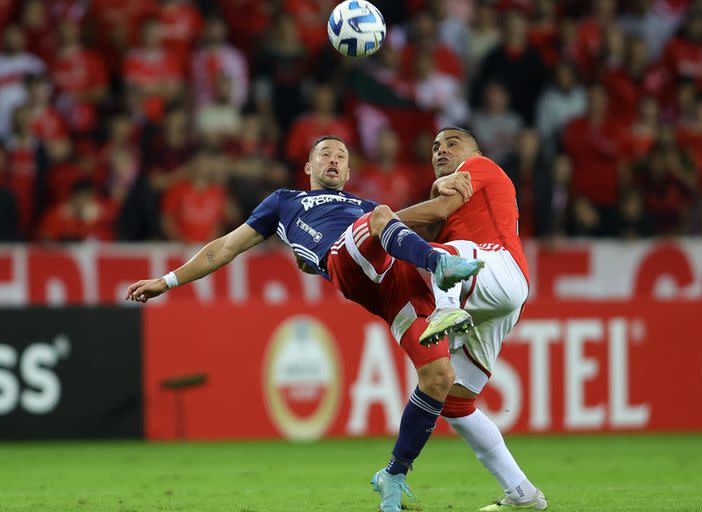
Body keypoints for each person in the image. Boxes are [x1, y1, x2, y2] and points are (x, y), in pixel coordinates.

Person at [125, 136, 484, 512]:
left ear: (347, 172)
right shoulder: (285, 202)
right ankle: (442, 267)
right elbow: (225, 247)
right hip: (345, 259)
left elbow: (427, 222)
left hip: (398, 287)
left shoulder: (361, 204)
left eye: (341, 156)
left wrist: (437, 188)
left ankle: (393, 475)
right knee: (382, 215)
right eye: (324, 154)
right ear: (308, 168)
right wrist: (167, 281)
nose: (333, 159)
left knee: (439, 378)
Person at [391, 127, 547, 511]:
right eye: (435, 147)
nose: (441, 150)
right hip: (496, 299)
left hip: (498, 269)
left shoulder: (480, 167)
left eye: (451, 143)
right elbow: (428, 218)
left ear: (473, 151)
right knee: (457, 404)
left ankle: (446, 309)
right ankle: (523, 493)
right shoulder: (449, 191)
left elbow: (433, 216)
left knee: (443, 255)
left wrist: (381, 222)